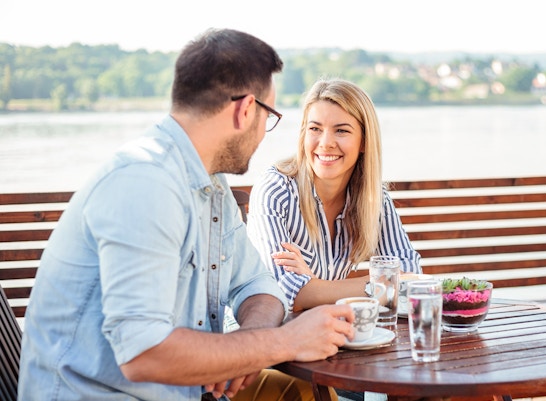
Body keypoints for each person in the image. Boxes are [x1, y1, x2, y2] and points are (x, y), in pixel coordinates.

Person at [17, 29, 354, 401]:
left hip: (185, 390)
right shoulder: (146, 184)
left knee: (299, 391)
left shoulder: (210, 184)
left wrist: (247, 349)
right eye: (268, 116)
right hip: (102, 394)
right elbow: (143, 352)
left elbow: (257, 284)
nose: (264, 133)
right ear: (245, 110)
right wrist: (284, 342)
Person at [246, 78, 422, 313]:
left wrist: (315, 287)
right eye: (315, 129)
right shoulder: (276, 191)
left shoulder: (373, 199)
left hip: (327, 334)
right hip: (260, 334)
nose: (326, 143)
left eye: (341, 131)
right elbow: (283, 292)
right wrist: (375, 286)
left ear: (364, 142)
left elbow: (410, 277)